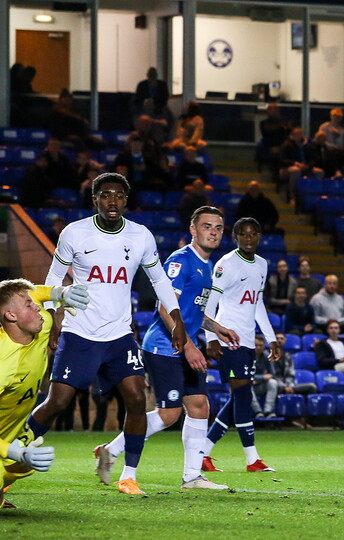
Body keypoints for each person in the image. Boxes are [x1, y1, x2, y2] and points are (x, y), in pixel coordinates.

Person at [29, 173, 188, 496]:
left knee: (135, 399)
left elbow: (159, 281)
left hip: (118, 335)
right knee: (58, 402)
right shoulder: (75, 233)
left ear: (126, 201)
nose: (112, 201)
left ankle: (128, 476)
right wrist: (52, 319)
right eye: (105, 195)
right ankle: (15, 445)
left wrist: (177, 320)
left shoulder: (141, 236)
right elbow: (53, 279)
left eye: (118, 195)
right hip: (80, 333)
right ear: (95, 200)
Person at [93, 206, 240, 490]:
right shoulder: (180, 260)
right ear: (193, 230)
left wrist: (215, 327)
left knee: (199, 407)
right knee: (170, 413)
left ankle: (192, 477)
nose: (213, 232)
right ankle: (111, 451)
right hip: (164, 347)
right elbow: (165, 307)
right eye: (207, 226)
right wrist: (187, 346)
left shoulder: (208, 265)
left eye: (218, 228)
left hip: (185, 345)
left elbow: (191, 311)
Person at [0, 279, 89, 508]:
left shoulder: (41, 325)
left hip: (11, 433)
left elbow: (36, 293)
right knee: (23, 459)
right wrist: (14, 452)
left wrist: (61, 292)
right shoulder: (2, 364)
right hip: (3, 442)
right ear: (10, 316)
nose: (37, 307)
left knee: (27, 465)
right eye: (28, 305)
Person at [201, 217, 280, 473]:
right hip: (228, 339)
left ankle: (203, 453)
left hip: (247, 341)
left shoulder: (262, 264)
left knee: (238, 398)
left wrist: (271, 337)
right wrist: (211, 338)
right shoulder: (226, 264)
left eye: (253, 233)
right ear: (235, 237)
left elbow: (257, 304)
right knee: (244, 396)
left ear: (259, 236)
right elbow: (210, 302)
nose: (248, 238)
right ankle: (252, 459)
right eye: (243, 234)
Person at [252, 333, 316, 424]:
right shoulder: (268, 355)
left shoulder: (287, 356)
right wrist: (262, 377)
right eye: (277, 338)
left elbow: (290, 373)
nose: (279, 340)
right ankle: (260, 412)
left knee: (311, 387)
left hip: (286, 385)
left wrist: (288, 386)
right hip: (275, 386)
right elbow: (271, 375)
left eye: (281, 338)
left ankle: (305, 420)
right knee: (272, 383)